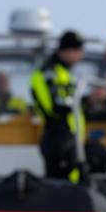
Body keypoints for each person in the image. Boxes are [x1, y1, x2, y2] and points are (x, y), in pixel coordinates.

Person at [30, 30, 85, 181]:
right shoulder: (46, 74)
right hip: (57, 138)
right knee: (59, 183)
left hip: (70, 137)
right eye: (78, 51)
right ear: (67, 51)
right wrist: (87, 100)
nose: (80, 56)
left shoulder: (65, 74)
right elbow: (53, 109)